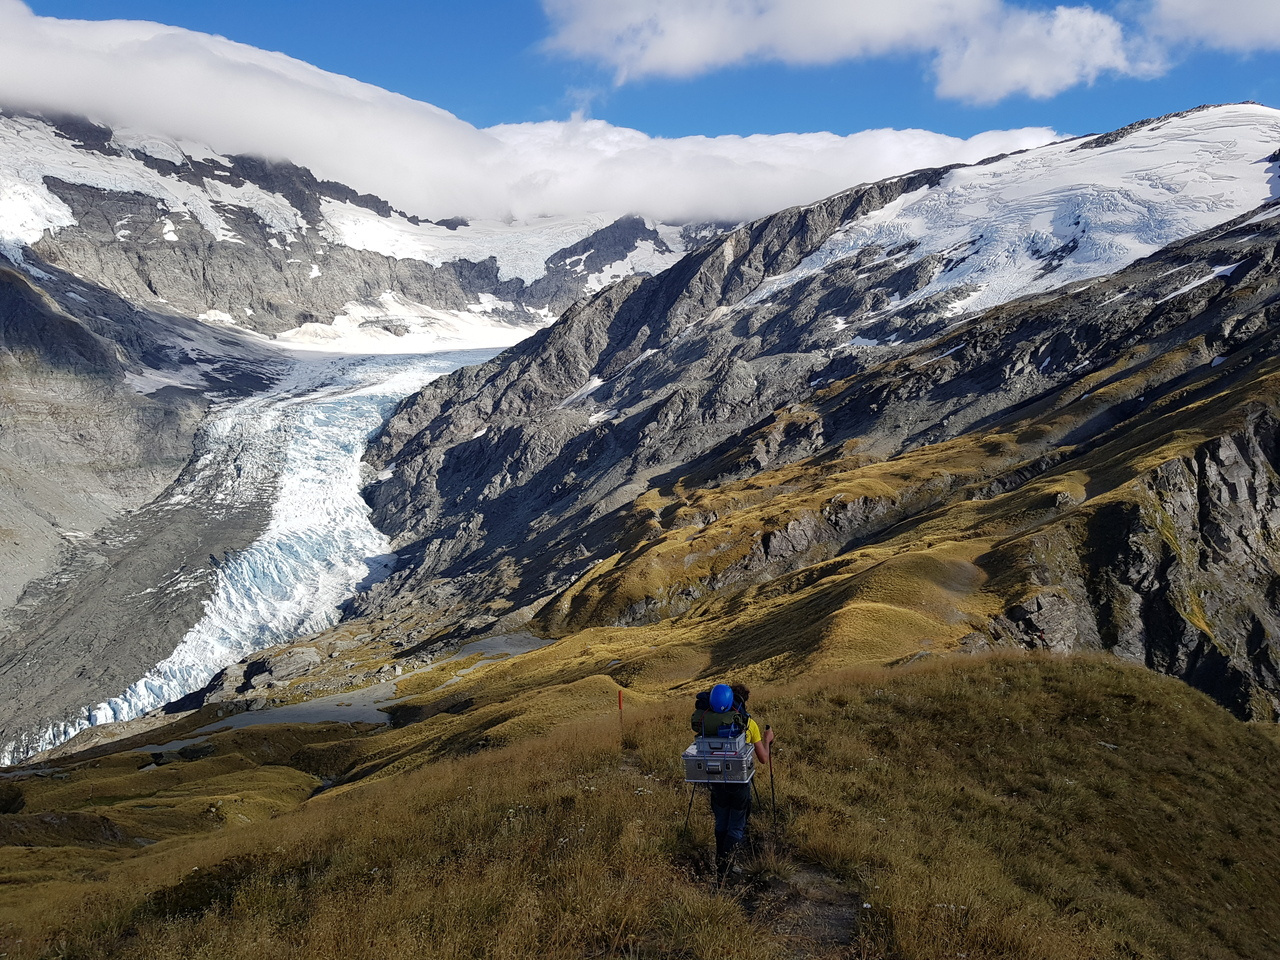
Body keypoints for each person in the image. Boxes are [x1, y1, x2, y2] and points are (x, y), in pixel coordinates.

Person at [698, 682, 774, 879]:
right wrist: (768, 739)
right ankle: (726, 867)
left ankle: (719, 862)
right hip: (739, 782)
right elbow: (764, 759)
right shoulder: (748, 723)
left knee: (721, 821)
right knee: (737, 825)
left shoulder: (709, 723)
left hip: (716, 780)